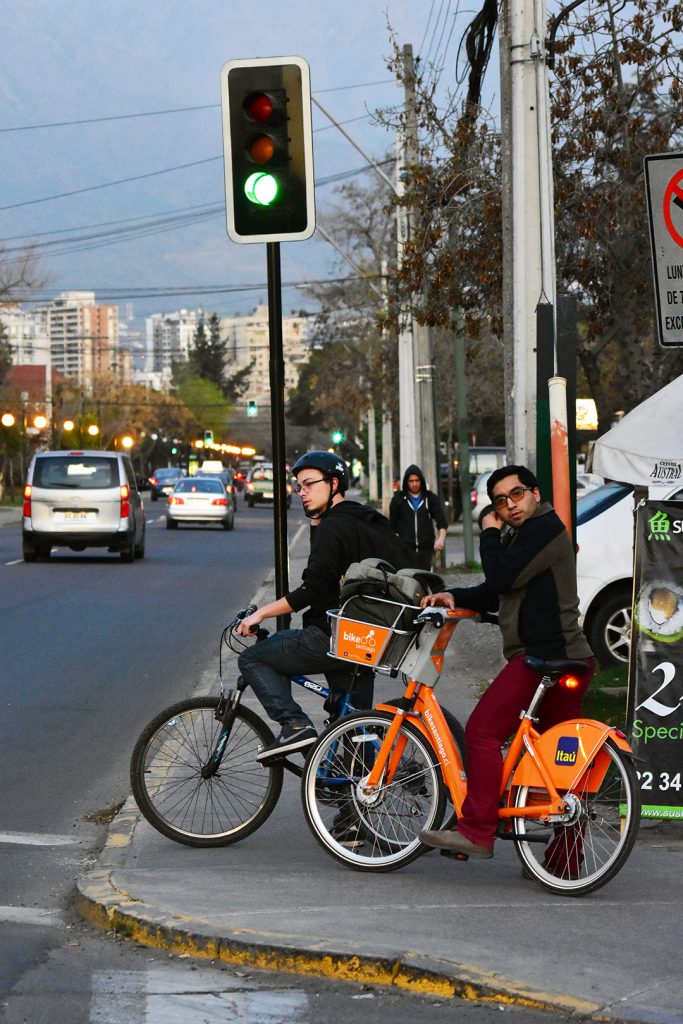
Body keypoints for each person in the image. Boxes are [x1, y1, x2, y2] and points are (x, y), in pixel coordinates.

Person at [419, 464, 595, 865]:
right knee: (558, 762)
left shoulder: (543, 528)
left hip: (543, 658)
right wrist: (454, 596)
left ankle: (475, 831)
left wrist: (488, 529)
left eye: (516, 495)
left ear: (534, 493)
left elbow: (499, 576)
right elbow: (500, 590)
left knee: (482, 731)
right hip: (571, 658)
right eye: (501, 501)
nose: (510, 505)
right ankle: (566, 857)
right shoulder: (532, 534)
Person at [237, 450, 418, 761]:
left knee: (253, 659)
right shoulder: (369, 520)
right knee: (356, 734)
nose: (301, 493)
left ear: (334, 483)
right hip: (374, 639)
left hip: (334, 636)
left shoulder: (334, 526)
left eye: (308, 484)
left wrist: (261, 613)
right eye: (298, 487)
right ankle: (354, 800)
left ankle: (295, 725)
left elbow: (314, 587)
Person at [389, 464, 447, 570]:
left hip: (426, 549)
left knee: (426, 581)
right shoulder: (398, 499)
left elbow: (441, 522)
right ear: (406, 482)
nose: (414, 484)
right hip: (405, 549)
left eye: (417, 480)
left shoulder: (430, 498)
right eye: (411, 481)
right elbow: (391, 526)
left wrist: (440, 539)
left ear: (421, 481)